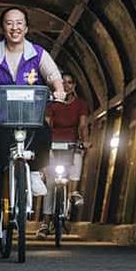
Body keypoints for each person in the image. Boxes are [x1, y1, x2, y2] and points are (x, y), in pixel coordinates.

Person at [0, 7, 65, 236]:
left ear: (26, 27)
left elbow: (52, 75)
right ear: (3, 27)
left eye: (19, 23)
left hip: (29, 119)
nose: (15, 28)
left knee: (44, 133)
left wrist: (58, 90)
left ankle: (35, 171)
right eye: (9, 23)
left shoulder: (37, 54)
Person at [37, 71, 90, 239]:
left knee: (78, 156)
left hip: (71, 143)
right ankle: (45, 223)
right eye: (63, 82)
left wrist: (85, 140)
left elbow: (82, 125)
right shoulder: (52, 104)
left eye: (69, 82)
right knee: (51, 182)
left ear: (74, 86)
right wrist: (43, 143)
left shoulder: (81, 104)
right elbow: (47, 124)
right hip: (53, 143)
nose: (66, 86)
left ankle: (74, 192)